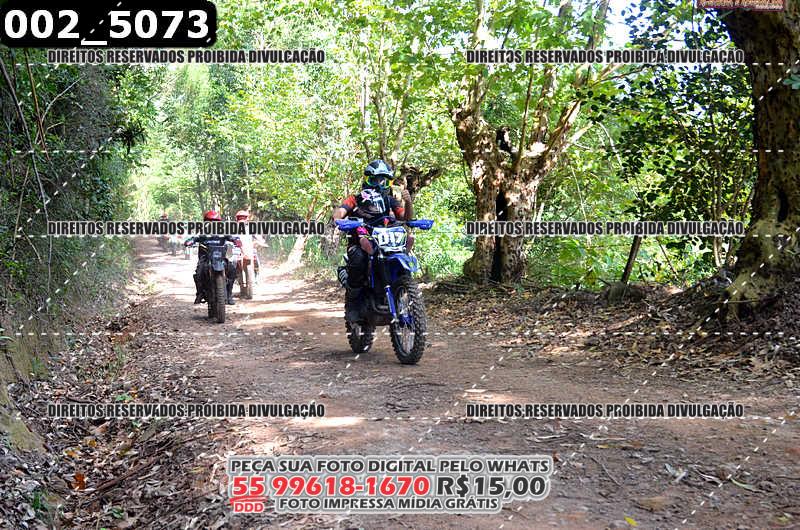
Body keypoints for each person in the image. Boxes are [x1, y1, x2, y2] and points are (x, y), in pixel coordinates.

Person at [333, 160, 413, 320]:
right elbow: (340, 212)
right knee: (358, 259)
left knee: (406, 245)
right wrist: (339, 219)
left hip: (386, 239)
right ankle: (353, 304)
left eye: (383, 181)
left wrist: (408, 202)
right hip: (360, 240)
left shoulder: (390, 200)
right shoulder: (355, 199)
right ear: (367, 180)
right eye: (374, 180)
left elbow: (405, 217)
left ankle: (404, 292)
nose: (379, 184)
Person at [185, 210, 241, 305]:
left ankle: (229, 294)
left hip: (220, 258)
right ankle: (200, 294)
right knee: (199, 272)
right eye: (209, 221)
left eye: (215, 221)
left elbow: (232, 237)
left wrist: (236, 240)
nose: (212, 223)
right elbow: (193, 238)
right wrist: (190, 241)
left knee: (232, 270)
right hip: (205, 258)